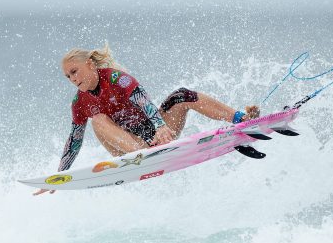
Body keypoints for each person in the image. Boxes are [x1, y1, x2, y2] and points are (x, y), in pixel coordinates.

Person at [34, 44, 259, 195]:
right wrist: (61, 174)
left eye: (74, 72)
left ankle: (241, 118)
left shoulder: (117, 78)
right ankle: (141, 156)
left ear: (91, 65)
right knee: (98, 119)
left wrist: (160, 127)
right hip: (128, 149)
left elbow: (144, 101)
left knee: (181, 95)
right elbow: (75, 140)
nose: (72, 79)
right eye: (68, 76)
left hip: (156, 136)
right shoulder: (80, 102)